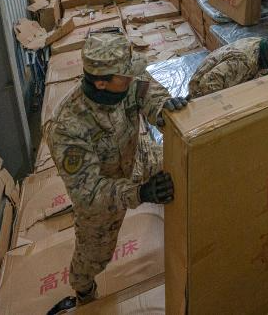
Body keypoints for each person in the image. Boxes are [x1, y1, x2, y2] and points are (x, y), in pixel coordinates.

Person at [45, 31, 188, 312]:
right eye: (125, 77)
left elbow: (148, 91)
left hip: (138, 157)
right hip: (104, 193)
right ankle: (84, 293)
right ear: (101, 82)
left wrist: (164, 110)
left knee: (183, 165)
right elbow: (89, 193)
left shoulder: (125, 79)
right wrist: (141, 193)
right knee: (93, 257)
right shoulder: (66, 126)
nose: (132, 77)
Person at [188, 27, 268, 99]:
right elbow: (208, 84)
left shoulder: (264, 46)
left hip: (226, 76)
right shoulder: (244, 61)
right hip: (201, 91)